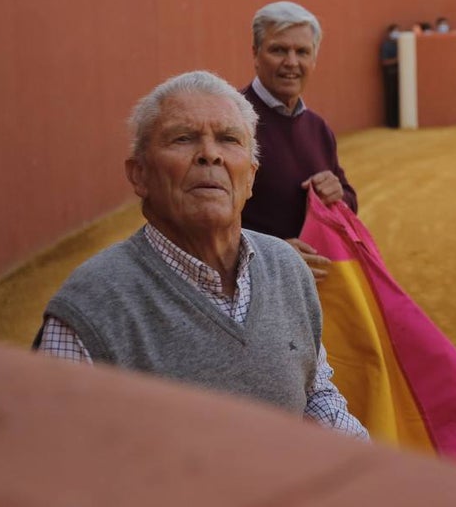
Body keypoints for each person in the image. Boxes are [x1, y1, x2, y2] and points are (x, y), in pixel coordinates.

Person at [34, 70, 368, 439]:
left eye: (228, 139)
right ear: (139, 175)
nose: (210, 155)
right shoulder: (91, 307)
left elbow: (315, 396)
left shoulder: (288, 268)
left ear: (251, 177)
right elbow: (54, 460)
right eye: (183, 138)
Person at [239, 2, 357, 280]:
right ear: (256, 54)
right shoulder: (230, 121)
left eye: (302, 52)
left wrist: (338, 193)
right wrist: (273, 253)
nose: (291, 62)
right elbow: (205, 219)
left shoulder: (318, 128)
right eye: (278, 49)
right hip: (255, 287)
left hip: (315, 289)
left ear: (314, 60)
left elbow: (350, 201)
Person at [380, 23, 400, 129]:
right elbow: (384, 62)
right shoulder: (386, 45)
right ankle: (391, 122)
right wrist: (397, 60)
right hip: (390, 74)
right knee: (390, 98)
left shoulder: (399, 44)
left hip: (398, 75)